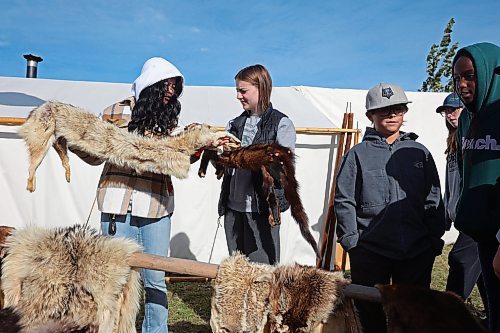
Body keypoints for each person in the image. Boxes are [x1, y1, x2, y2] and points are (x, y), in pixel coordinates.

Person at [74, 57, 185, 333]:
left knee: (155, 278)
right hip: (116, 204)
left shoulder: (171, 121)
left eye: (174, 86)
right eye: (166, 84)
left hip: (156, 206)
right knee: (115, 277)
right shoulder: (113, 113)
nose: (171, 91)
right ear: (152, 84)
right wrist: (72, 139)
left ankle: (156, 331)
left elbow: (179, 159)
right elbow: (95, 154)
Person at [335, 83, 445, 333]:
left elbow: (434, 196)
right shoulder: (357, 154)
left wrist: (433, 239)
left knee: (413, 314)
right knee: (369, 316)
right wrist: (352, 241)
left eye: (397, 109)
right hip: (370, 252)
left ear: (404, 112)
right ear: (370, 116)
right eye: (384, 110)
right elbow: (344, 199)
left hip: (416, 250)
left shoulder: (419, 152)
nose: (392, 115)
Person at [218, 64, 296, 265]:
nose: (238, 96)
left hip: (262, 211)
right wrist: (217, 152)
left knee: (262, 275)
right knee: (237, 272)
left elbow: (282, 169)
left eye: (243, 91)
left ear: (261, 88)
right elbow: (224, 165)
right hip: (233, 209)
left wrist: (244, 157)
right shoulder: (233, 124)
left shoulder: (282, 124)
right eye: (237, 90)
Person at [452, 42, 500, 332]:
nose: (462, 85)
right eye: (457, 78)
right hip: (481, 232)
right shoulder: (468, 118)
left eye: (470, 76)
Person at [436, 93, 488, 309]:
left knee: (460, 261)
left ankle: (448, 315)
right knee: (482, 271)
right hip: (462, 217)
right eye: (447, 111)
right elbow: (452, 184)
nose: (450, 114)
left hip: (478, 217)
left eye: (455, 109)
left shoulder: (476, 139)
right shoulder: (453, 142)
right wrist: (447, 214)